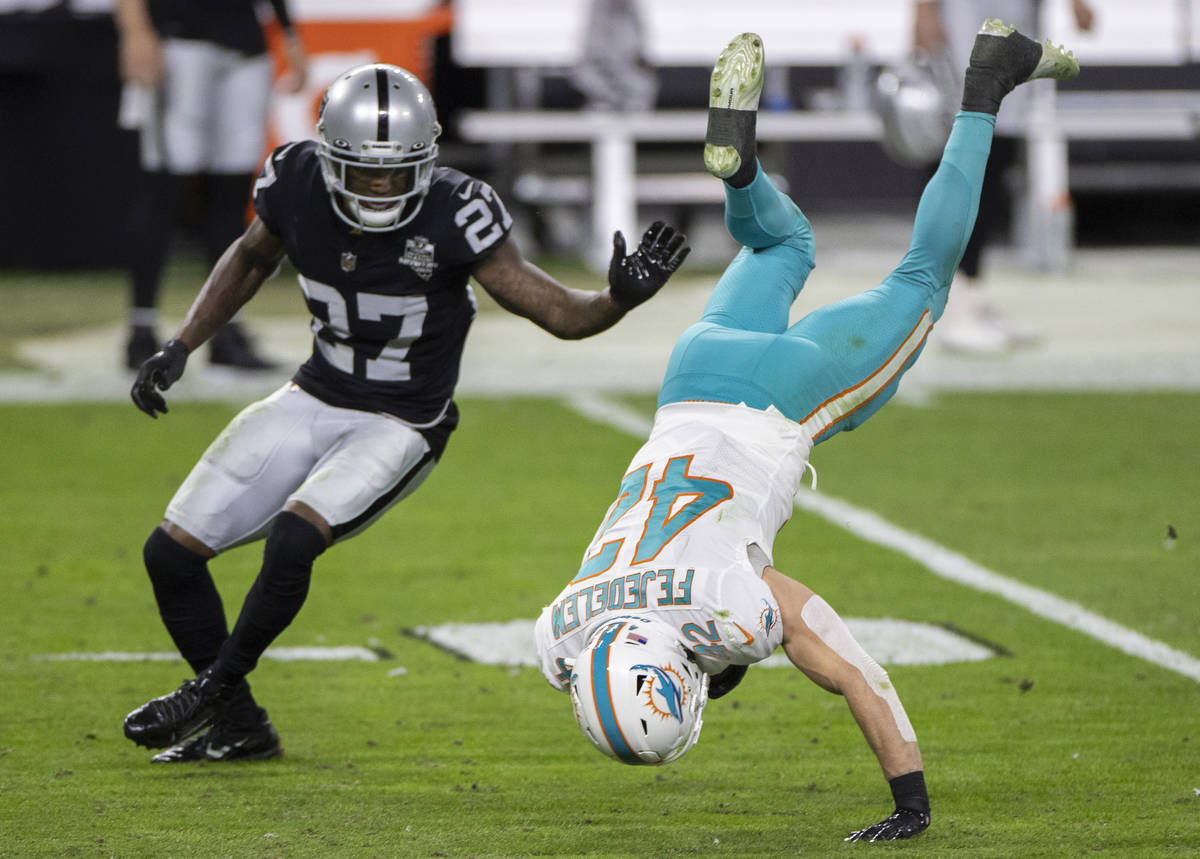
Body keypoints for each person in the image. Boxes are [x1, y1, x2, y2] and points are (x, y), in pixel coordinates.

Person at [535, 24, 1078, 842]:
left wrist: (911, 802)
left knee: (924, 279)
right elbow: (648, 628)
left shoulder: (732, 612)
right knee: (784, 241)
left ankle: (987, 84)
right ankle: (744, 174)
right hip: (690, 378)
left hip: (779, 406)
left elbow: (852, 666)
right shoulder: (557, 633)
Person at [121, 63, 690, 763]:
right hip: (315, 393)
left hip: (402, 422)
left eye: (399, 171)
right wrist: (181, 345)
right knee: (168, 555)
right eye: (365, 172)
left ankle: (212, 688)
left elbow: (556, 312)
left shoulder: (457, 210)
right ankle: (239, 723)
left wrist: (615, 300)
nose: (383, 186)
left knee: (295, 539)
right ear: (329, 158)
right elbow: (247, 258)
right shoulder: (295, 178)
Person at [114, 0, 309, 370]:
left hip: (246, 41)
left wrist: (289, 34)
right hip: (179, 40)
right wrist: (135, 30)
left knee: (231, 195)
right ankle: (141, 328)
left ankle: (225, 331)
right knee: (164, 190)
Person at [913, 0, 1094, 354]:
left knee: (995, 171)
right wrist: (923, 11)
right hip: (968, 29)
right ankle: (945, 307)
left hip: (1012, 30)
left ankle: (970, 295)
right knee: (964, 167)